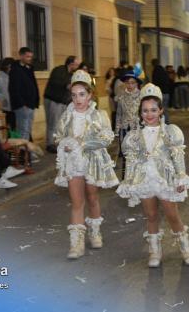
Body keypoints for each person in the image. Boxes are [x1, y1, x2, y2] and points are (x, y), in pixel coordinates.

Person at [116, 83, 189, 268]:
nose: (149, 114)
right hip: (145, 180)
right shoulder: (134, 137)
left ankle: (186, 248)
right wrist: (129, 182)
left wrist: (181, 177)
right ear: (140, 112)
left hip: (165, 180)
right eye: (145, 110)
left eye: (153, 110)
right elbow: (131, 160)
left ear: (161, 111)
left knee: (172, 215)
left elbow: (177, 155)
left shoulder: (170, 132)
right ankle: (154, 250)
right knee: (151, 215)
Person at [53, 70, 118, 259]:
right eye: (74, 95)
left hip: (92, 163)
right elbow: (58, 137)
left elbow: (107, 137)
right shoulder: (67, 116)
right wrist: (64, 145)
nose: (77, 99)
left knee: (92, 198)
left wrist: (84, 144)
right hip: (73, 164)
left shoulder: (99, 115)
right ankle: (76, 243)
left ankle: (95, 231)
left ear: (90, 94)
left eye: (82, 94)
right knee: (76, 202)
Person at [44, 56, 79, 153]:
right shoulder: (59, 70)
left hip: (62, 101)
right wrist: (67, 85)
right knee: (53, 122)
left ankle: (56, 142)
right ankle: (50, 144)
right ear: (71, 64)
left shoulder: (71, 74)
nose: (77, 66)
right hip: (54, 100)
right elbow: (55, 82)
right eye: (76, 64)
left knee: (59, 123)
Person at [114, 71, 142, 179]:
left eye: (133, 83)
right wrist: (117, 130)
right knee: (126, 154)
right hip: (125, 129)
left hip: (137, 129)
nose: (130, 85)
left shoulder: (141, 96)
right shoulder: (121, 97)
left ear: (136, 84)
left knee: (137, 154)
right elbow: (119, 114)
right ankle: (126, 178)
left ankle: (138, 178)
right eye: (128, 83)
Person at [9, 47, 40, 141]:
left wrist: (36, 100)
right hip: (22, 106)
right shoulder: (15, 69)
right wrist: (22, 104)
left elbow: (33, 85)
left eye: (31, 57)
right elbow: (14, 89)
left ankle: (27, 152)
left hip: (31, 104)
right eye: (27, 57)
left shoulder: (29, 68)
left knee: (28, 129)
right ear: (21, 56)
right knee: (22, 130)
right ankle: (23, 153)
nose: (29, 59)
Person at [0, 57, 16, 130]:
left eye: (11, 67)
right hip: (7, 108)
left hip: (18, 107)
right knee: (9, 127)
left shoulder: (17, 75)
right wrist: (3, 99)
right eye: (8, 67)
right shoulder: (0, 77)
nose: (10, 69)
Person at [151, 59, 171, 124]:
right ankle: (167, 121)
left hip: (160, 92)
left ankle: (162, 122)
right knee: (165, 108)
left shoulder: (155, 71)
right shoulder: (164, 70)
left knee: (159, 108)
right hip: (166, 92)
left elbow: (155, 82)